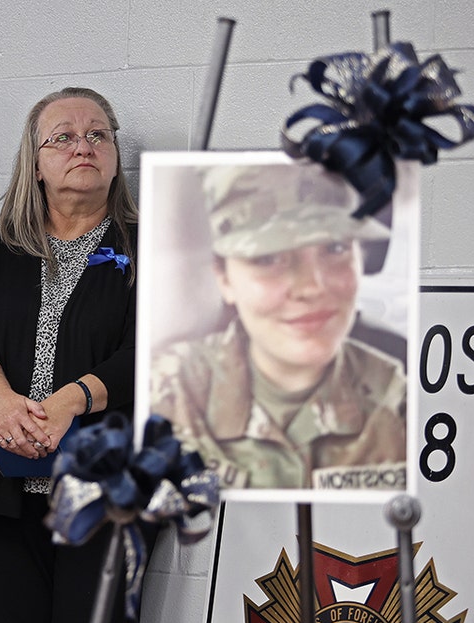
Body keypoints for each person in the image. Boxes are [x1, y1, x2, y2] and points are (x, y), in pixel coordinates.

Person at [0, 87, 142, 623]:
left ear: (113, 153)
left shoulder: (149, 244)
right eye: (62, 136)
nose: (82, 145)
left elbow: (158, 347)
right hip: (2, 487)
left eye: (97, 134)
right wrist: (2, 402)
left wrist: (71, 400)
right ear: (35, 162)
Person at [149, 163, 407, 490]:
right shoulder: (167, 392)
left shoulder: (399, 401)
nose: (311, 287)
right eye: (269, 257)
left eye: (336, 248)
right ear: (224, 277)